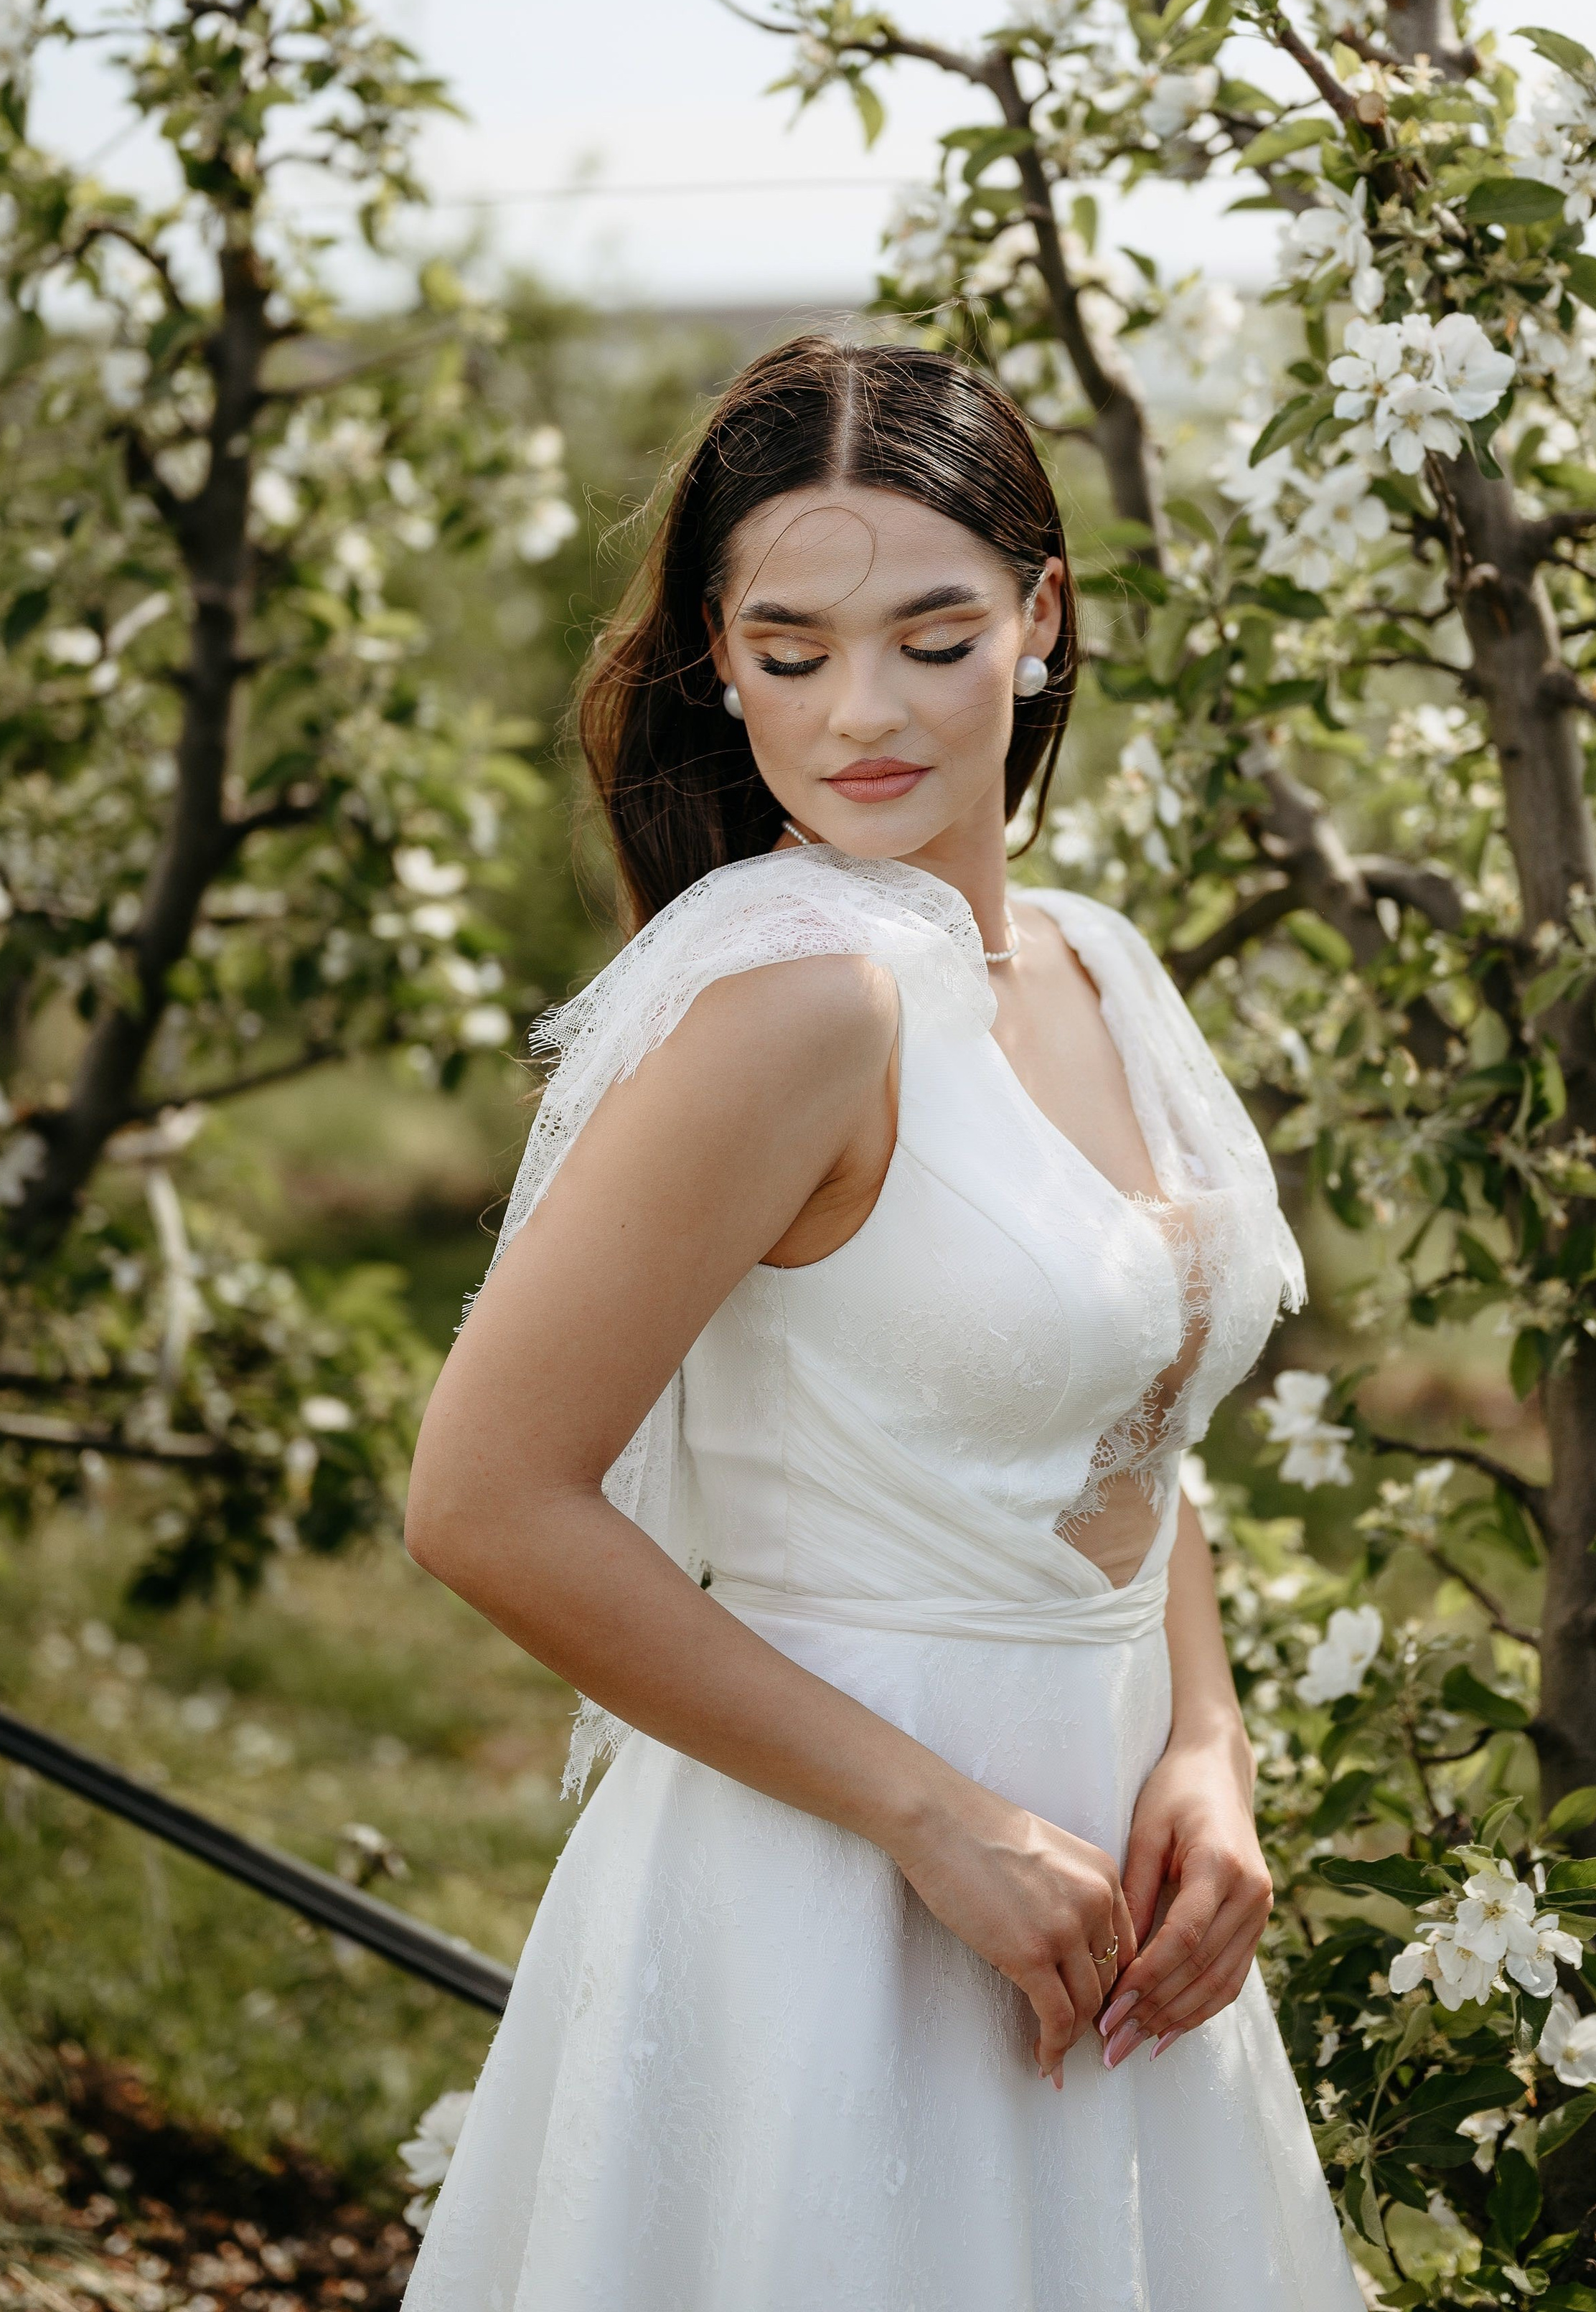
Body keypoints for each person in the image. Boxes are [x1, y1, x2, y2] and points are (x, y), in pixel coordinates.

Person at [401, 339, 1362, 2311]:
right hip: (838, 1884)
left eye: (934, 637)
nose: (864, 715)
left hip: (1113, 1871)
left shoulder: (1095, 964)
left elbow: (1126, 1430)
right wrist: (936, 1822)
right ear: (718, 658)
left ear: (1042, 616)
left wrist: (1206, 1744)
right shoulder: (799, 1006)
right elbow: (486, 1499)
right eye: (793, 644)